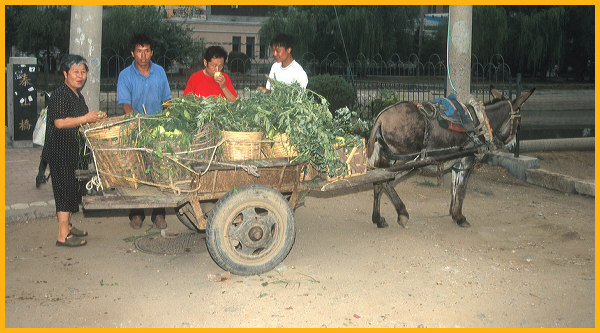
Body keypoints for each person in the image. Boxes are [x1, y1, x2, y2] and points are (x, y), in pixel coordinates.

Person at [45, 54, 107, 247]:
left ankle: (68, 227)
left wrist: (94, 118)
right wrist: (86, 119)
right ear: (65, 73)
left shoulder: (76, 95)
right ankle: (62, 235)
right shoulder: (61, 94)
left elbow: (81, 119)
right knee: (64, 192)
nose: (80, 76)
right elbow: (60, 122)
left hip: (73, 152)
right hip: (60, 151)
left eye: (83, 72)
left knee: (72, 191)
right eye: (75, 72)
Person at [117, 33, 172, 229]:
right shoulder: (125, 75)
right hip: (136, 128)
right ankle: (137, 213)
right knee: (138, 171)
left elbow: (167, 100)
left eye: (146, 51)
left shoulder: (159, 72)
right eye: (139, 51)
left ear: (152, 52)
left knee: (160, 171)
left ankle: (158, 214)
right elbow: (125, 105)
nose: (143, 55)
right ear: (133, 53)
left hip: (158, 129)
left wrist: (170, 119)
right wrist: (137, 125)